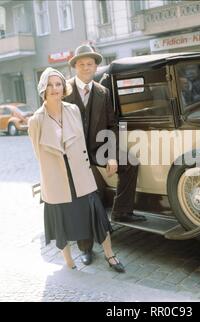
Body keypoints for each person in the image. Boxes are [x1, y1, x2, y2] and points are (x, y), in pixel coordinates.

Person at [28, 67, 125, 273]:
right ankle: (70, 262)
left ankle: (110, 255)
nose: (55, 88)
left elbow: (80, 140)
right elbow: (39, 154)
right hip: (56, 179)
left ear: (64, 87)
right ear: (43, 89)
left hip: (80, 173)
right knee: (63, 220)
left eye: (58, 84)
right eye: (50, 84)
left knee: (97, 215)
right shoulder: (36, 120)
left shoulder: (72, 110)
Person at [65, 45, 145, 265]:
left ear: (95, 66)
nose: (86, 67)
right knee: (89, 193)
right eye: (81, 64)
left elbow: (111, 124)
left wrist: (111, 155)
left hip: (99, 147)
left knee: (130, 162)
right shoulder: (65, 90)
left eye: (89, 64)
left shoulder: (102, 91)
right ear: (75, 67)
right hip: (74, 152)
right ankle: (86, 247)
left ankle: (121, 211)